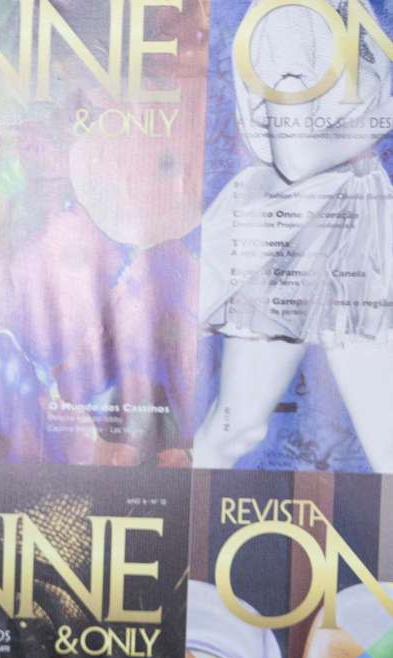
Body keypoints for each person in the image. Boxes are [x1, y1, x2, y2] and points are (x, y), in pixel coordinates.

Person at [194, 0, 393, 470]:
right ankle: (181, 506)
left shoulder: (351, 9)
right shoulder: (290, 18)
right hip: (294, 236)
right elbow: (296, 159)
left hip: (358, 224)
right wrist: (383, 119)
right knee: (238, 428)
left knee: (388, 439)